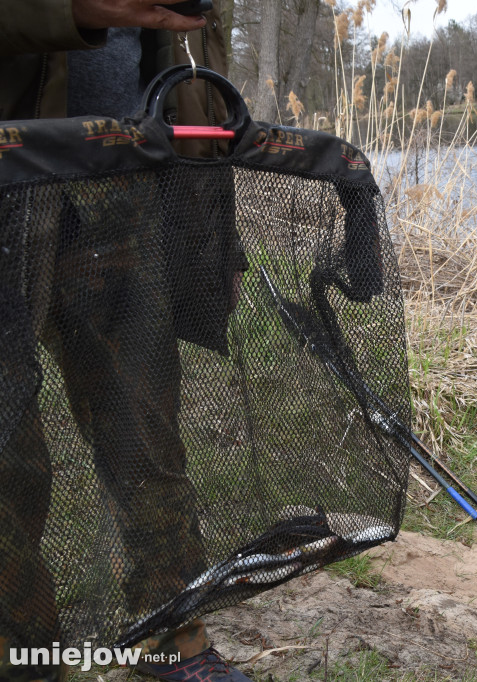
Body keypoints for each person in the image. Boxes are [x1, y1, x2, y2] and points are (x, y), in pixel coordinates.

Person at [0, 1, 250, 681]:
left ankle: (171, 636)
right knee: (5, 457)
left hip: (124, 189)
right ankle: (25, 662)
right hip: (8, 180)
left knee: (147, 437)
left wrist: (217, 234)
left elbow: (196, 83)